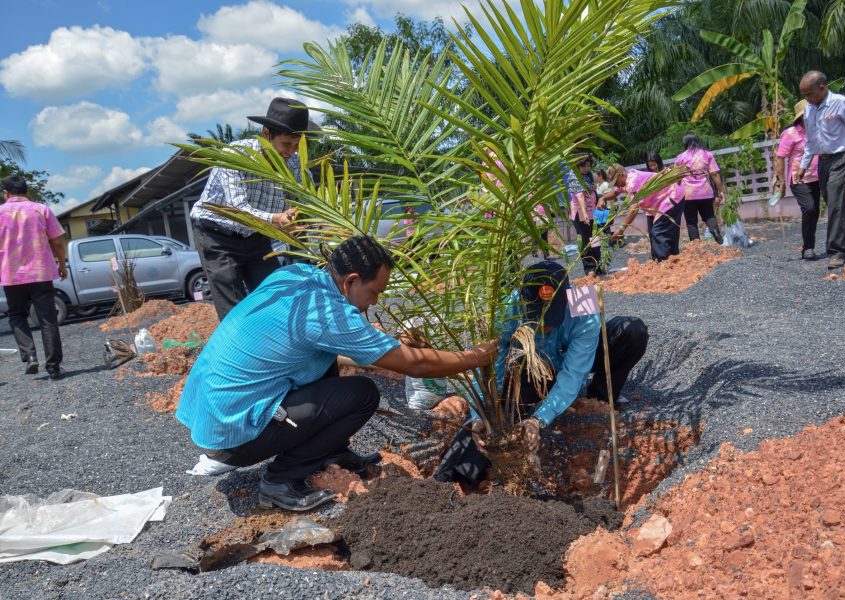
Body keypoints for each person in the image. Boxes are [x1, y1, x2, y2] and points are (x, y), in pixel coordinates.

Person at [176, 235, 498, 511]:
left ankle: (331, 452)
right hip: (233, 436)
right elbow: (416, 364)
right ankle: (281, 481)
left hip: (213, 417)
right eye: (374, 292)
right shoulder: (328, 314)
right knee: (362, 394)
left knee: (326, 361)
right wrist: (473, 357)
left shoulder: (297, 276)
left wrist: (378, 343)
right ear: (351, 281)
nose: (373, 303)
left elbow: (329, 344)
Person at [434, 261, 648, 485]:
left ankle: (601, 396)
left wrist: (538, 420)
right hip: (531, 367)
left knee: (632, 331)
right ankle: (455, 476)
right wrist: (482, 413)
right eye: (537, 319)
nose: (544, 327)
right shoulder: (511, 306)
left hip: (578, 358)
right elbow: (490, 365)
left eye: (551, 318)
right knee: (502, 412)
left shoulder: (583, 302)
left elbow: (573, 373)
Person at [190, 98, 315, 320]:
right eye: (286, 144)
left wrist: (299, 217)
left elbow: (303, 200)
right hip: (219, 236)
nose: (291, 152)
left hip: (257, 236)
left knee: (275, 297)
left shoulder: (294, 163)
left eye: (296, 146)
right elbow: (237, 210)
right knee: (234, 309)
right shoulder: (236, 156)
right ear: (267, 134)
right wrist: (279, 218)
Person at [796, 71, 845, 269]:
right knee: (835, 201)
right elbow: (811, 141)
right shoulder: (809, 109)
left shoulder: (840, 102)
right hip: (823, 161)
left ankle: (837, 251)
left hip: (842, 157)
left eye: (808, 94)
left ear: (822, 88)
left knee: (835, 202)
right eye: (803, 95)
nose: (806, 99)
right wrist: (803, 166)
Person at [0, 176, 67, 380]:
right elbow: (56, 241)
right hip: (40, 273)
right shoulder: (41, 209)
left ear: (6, 193)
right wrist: (62, 264)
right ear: (27, 192)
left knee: (17, 315)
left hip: (11, 275)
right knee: (48, 319)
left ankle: (30, 356)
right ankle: (54, 368)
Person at [606, 163, 685, 261]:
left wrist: (621, 229)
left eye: (616, 182)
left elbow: (634, 209)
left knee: (658, 232)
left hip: (671, 196)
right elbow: (616, 192)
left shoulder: (633, 181)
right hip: (661, 202)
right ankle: (672, 259)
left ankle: (663, 263)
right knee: (663, 233)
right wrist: (603, 198)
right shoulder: (626, 179)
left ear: (622, 174)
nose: (616, 185)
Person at [775, 100, 821, 260]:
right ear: (801, 116)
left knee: (815, 211)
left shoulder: (816, 130)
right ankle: (807, 248)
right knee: (809, 208)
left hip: (817, 177)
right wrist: (781, 182)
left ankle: (809, 247)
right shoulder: (791, 133)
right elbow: (780, 158)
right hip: (798, 179)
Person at [674, 133, 724, 243]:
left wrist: (677, 193)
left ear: (685, 143)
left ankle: (696, 246)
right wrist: (721, 191)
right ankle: (716, 234)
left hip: (688, 195)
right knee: (709, 215)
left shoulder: (680, 158)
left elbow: (677, 178)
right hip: (705, 192)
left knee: (691, 221)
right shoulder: (707, 155)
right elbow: (714, 174)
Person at [565, 155, 603, 275]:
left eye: (588, 165)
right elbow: (580, 196)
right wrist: (585, 213)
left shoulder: (589, 176)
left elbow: (593, 192)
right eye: (583, 166)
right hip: (581, 213)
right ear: (577, 166)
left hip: (592, 211)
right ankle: (589, 268)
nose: (586, 168)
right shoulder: (574, 176)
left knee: (596, 239)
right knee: (585, 240)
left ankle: (597, 265)